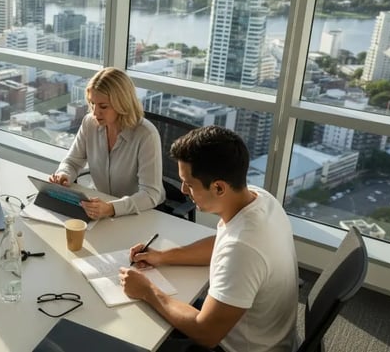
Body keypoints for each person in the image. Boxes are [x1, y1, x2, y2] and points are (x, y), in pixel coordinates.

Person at [119, 126, 298, 352]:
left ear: (219, 187)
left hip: (236, 346)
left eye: (189, 184)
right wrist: (163, 257)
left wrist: (147, 290)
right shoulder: (260, 199)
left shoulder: (243, 248)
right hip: (260, 331)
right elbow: (221, 243)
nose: (183, 190)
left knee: (135, 336)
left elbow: (206, 333)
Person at [48, 67, 164, 219]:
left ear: (122, 104)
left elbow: (150, 194)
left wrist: (111, 208)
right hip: (100, 207)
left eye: (103, 106)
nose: (95, 112)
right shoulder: (90, 123)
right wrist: (64, 174)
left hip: (140, 214)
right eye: (92, 103)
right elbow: (72, 162)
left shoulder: (146, 135)